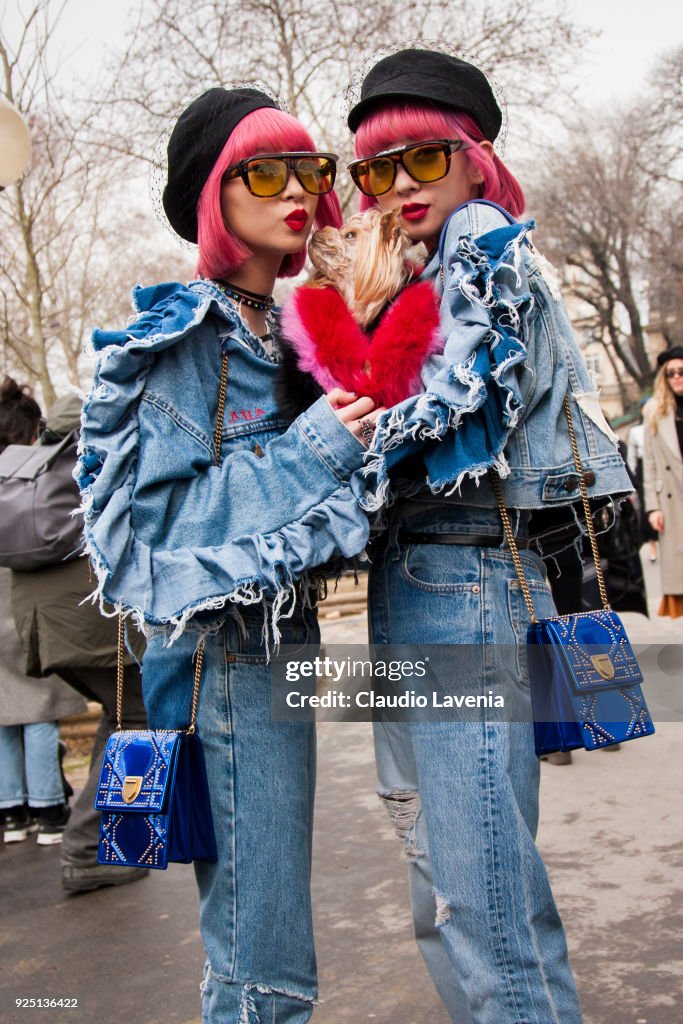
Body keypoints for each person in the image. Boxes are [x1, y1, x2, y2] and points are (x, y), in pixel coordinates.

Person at [76, 87, 378, 1023]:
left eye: (308, 170)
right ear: (213, 193)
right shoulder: (186, 339)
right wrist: (315, 449)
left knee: (266, 930)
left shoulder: (285, 326)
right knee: (263, 952)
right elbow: (156, 529)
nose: (297, 191)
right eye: (264, 171)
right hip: (223, 655)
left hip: (275, 644)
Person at [345, 49, 633, 1023]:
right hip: (423, 580)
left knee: (479, 895)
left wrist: (331, 437)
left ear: (473, 158)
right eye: (376, 169)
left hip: (461, 579)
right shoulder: (424, 265)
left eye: (422, 158)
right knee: (443, 878)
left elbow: (449, 400)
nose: (399, 186)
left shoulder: (480, 243)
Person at [9, 391, 149, 892]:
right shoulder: (87, 451)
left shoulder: (34, 468)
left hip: (40, 616)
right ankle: (90, 848)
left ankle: (108, 844)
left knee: (121, 713)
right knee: (141, 713)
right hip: (82, 616)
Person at [0, 377, 84, 845]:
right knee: (38, 710)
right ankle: (49, 809)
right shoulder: (32, 471)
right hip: (21, 607)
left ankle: (11, 811)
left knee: (4, 710)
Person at [643, 346, 683, 618]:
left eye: (681, 372)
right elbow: (650, 462)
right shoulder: (655, 411)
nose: (676, 377)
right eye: (671, 373)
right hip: (672, 499)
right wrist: (653, 507)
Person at [627, 398, 659, 563]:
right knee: (648, 507)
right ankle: (653, 545)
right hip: (643, 469)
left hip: (661, 466)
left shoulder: (660, 425)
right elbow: (631, 458)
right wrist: (633, 480)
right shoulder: (635, 431)